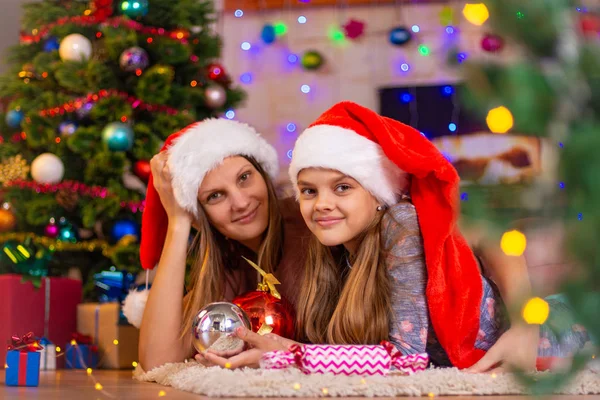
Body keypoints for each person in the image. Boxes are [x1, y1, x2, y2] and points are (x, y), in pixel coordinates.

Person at [205, 102, 590, 372]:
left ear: (377, 194)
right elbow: (363, 354)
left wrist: (290, 355)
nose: (321, 204)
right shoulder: (335, 250)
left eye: (342, 188)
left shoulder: (401, 224)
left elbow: (406, 359)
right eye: (309, 191)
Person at [137, 118, 310, 371]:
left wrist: (288, 355)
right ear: (200, 216)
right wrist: (178, 221)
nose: (240, 202)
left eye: (244, 177)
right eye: (215, 196)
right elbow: (157, 360)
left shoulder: (310, 227)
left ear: (262, 173)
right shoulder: (229, 261)